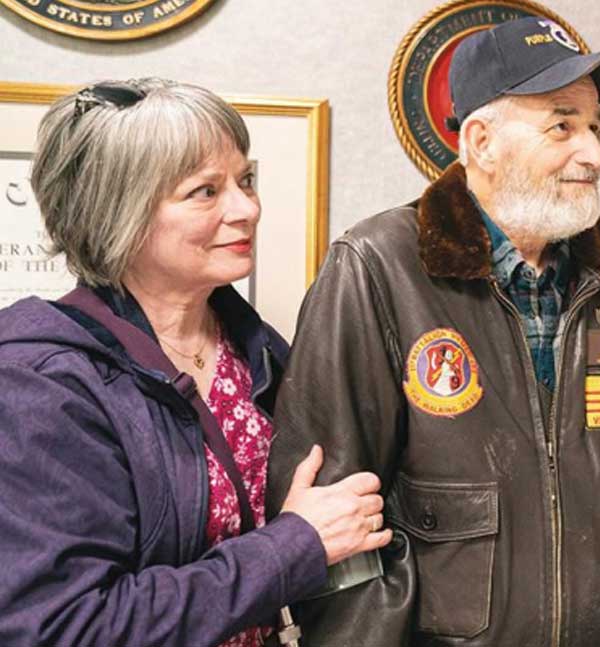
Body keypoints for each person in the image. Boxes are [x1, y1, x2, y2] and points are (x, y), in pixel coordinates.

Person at [266, 16, 600, 647]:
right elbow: (336, 507)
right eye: (563, 125)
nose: (595, 153)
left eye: (596, 127)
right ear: (481, 141)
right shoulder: (377, 266)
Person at [0, 78, 390, 647]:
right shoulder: (43, 385)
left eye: (245, 180)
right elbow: (66, 627)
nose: (247, 208)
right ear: (119, 213)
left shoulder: (254, 349)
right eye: (205, 191)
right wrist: (296, 543)